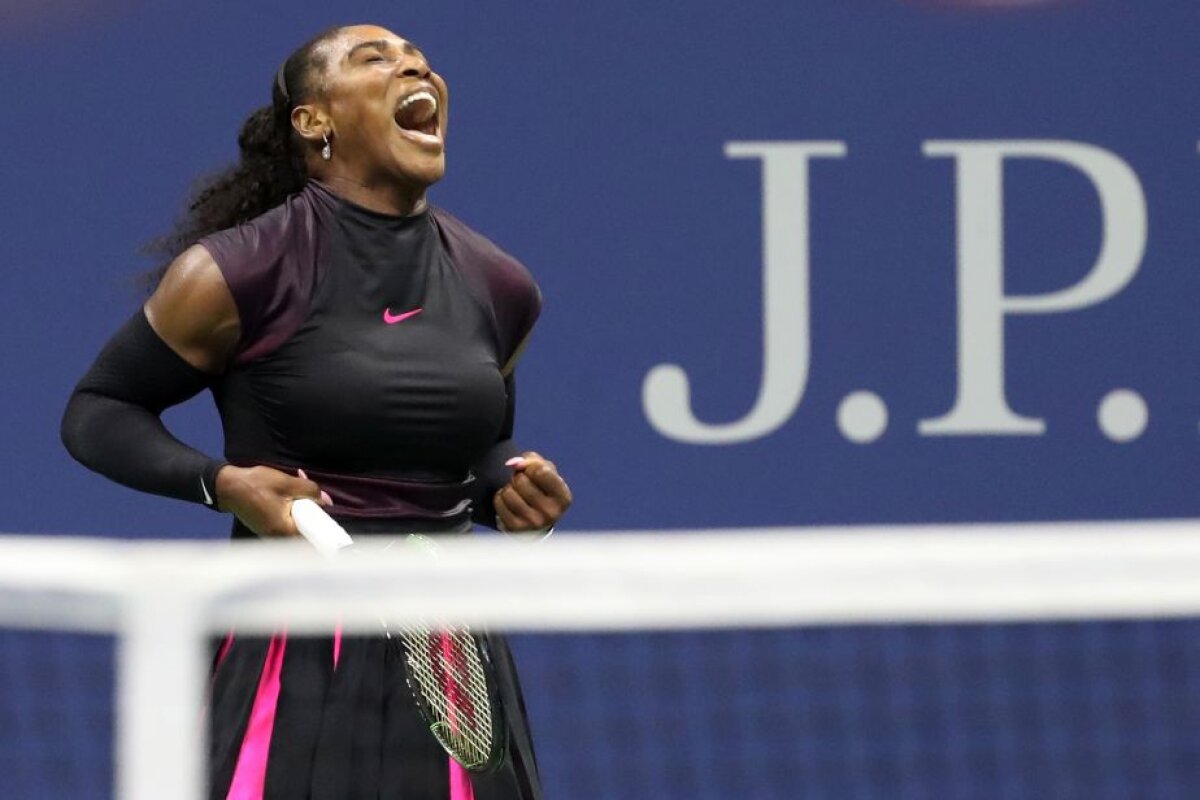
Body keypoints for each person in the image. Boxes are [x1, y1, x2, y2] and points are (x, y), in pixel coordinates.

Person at [60, 24, 571, 800]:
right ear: (313, 120)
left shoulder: (500, 285)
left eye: (422, 62)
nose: (414, 68)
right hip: (290, 638)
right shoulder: (238, 271)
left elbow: (475, 456)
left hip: (448, 653)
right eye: (376, 59)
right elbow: (100, 409)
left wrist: (512, 492)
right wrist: (223, 484)